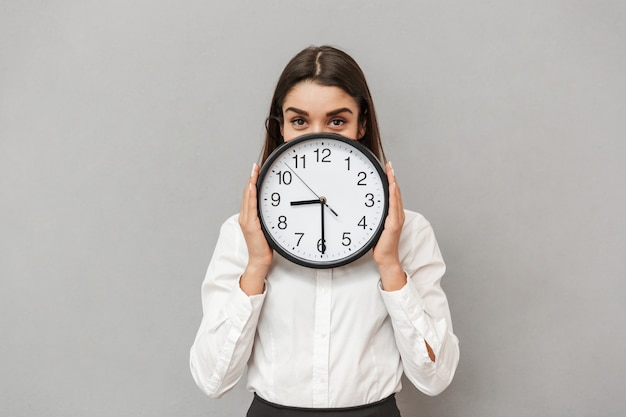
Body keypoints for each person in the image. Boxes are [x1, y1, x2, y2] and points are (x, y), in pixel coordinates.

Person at [190, 45, 460, 417]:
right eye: (299, 121)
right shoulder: (242, 232)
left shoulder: (409, 231)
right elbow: (212, 380)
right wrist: (255, 266)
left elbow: (436, 378)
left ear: (361, 125)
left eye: (336, 121)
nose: (317, 139)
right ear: (281, 128)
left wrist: (390, 266)